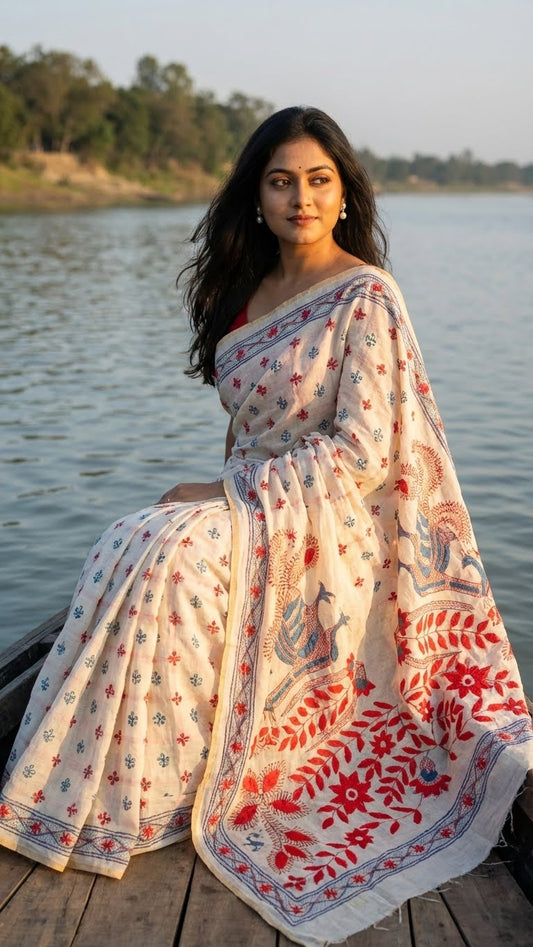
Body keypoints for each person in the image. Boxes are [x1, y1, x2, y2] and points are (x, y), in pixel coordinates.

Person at [0, 106, 531, 947]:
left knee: (174, 551)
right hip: (260, 501)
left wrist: (225, 495)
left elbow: (361, 454)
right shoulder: (244, 293)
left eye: (318, 180)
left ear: (345, 194)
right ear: (256, 195)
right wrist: (223, 495)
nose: (300, 198)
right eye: (281, 181)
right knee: (129, 536)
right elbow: (245, 429)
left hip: (333, 524)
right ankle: (99, 785)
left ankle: (163, 787)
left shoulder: (365, 295)